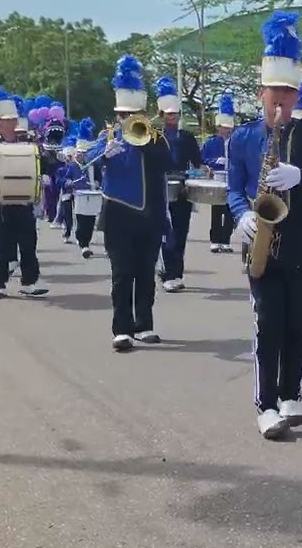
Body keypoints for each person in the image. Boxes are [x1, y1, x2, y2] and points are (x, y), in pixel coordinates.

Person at [227, 10, 302, 440]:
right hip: (261, 246)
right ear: (260, 93)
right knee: (267, 324)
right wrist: (241, 214)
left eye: (289, 94)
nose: (281, 102)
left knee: (298, 325)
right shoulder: (242, 138)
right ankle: (266, 404)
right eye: (274, 93)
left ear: (297, 97)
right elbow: (235, 187)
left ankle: (292, 392)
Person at [85, 55, 176, 350]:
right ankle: (121, 328)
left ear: (143, 113)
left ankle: (144, 324)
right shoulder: (107, 137)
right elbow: (88, 160)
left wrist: (147, 140)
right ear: (117, 114)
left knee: (145, 274)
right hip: (117, 215)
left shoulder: (156, 138)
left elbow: (166, 163)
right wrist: (104, 152)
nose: (127, 119)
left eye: (133, 113)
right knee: (122, 274)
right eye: (123, 114)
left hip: (149, 216)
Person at [0, 87, 48, 298]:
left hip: (23, 203)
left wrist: (44, 176)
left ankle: (29, 282)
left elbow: (38, 167)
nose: (13, 123)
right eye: (8, 119)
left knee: (28, 245)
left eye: (14, 119)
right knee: (1, 247)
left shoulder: (27, 144)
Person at [156, 76, 203, 292]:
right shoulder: (155, 137)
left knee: (181, 232)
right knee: (167, 232)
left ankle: (177, 273)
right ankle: (167, 273)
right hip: (161, 190)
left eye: (175, 113)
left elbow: (198, 162)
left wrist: (201, 171)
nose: (172, 117)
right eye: (168, 113)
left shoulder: (187, 137)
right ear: (162, 114)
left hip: (183, 189)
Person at [202, 94, 238, 253]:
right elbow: (202, 158)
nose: (227, 130)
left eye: (229, 127)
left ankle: (226, 239)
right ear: (218, 127)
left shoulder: (237, 141)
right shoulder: (211, 142)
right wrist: (216, 161)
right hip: (217, 177)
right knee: (217, 210)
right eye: (224, 127)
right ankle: (215, 239)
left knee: (230, 211)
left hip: (232, 178)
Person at [65, 118, 101, 259]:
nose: (81, 155)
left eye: (84, 153)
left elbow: (100, 178)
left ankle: (86, 241)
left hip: (92, 194)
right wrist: (69, 182)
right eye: (79, 152)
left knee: (91, 221)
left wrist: (98, 182)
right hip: (78, 195)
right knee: (80, 219)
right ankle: (83, 244)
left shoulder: (94, 165)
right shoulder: (72, 166)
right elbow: (64, 179)